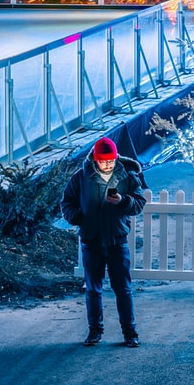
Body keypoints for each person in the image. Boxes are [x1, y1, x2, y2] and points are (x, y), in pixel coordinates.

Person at [61, 136, 146, 347]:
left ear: (116, 158)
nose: (107, 165)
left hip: (117, 240)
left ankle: (130, 332)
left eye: (110, 161)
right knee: (93, 288)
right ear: (95, 159)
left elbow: (138, 203)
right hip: (92, 241)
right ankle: (95, 331)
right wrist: (77, 217)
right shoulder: (81, 177)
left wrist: (122, 201)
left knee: (123, 289)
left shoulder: (127, 175)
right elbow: (67, 203)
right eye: (103, 161)